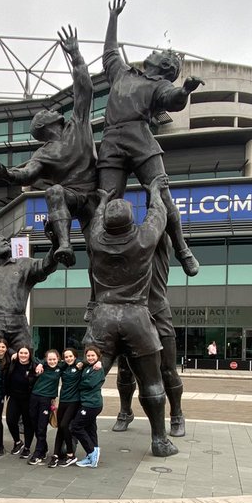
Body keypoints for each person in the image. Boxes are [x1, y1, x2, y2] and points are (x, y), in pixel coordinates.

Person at [99, 0, 204, 279]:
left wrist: (185, 91)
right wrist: (113, 17)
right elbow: (109, 52)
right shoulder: (122, 73)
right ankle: (100, 286)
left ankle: (182, 249)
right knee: (103, 203)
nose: (154, 53)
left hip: (139, 138)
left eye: (160, 54)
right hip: (111, 142)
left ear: (165, 66)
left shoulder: (160, 85)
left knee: (161, 192)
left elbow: (173, 100)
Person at [0, 25, 97, 268]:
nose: (54, 110)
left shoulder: (78, 124)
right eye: (48, 111)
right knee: (53, 191)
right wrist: (3, 172)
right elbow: (24, 174)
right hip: (74, 198)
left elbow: (84, 88)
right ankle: (65, 245)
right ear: (45, 124)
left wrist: (76, 55)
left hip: (99, 187)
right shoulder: (43, 154)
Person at [83, 187, 178, 457]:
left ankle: (72, 435)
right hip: (137, 316)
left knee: (89, 379)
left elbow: (97, 219)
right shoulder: (144, 239)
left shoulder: (96, 241)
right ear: (129, 221)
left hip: (103, 318)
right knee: (152, 381)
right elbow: (158, 215)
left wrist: (101, 199)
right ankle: (159, 441)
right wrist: (156, 191)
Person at [72, 344, 107, 468]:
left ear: (98, 357)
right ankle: (92, 456)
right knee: (90, 428)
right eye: (88, 355)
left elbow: (90, 383)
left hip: (91, 404)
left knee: (76, 426)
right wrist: (82, 363)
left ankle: (92, 452)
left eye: (93, 356)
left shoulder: (97, 368)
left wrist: (78, 384)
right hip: (88, 402)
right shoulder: (88, 366)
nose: (91, 358)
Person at [50, 347, 86, 467]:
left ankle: (71, 455)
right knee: (60, 427)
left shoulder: (79, 366)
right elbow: (51, 362)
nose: (68, 358)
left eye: (70, 356)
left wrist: (96, 363)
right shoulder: (63, 367)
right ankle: (55, 454)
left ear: (75, 357)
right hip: (63, 401)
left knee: (65, 424)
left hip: (74, 401)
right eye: (66, 357)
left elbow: (91, 360)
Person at [27, 349, 62, 467]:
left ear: (58, 359)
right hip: (34, 396)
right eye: (49, 359)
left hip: (46, 400)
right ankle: (43, 448)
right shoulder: (43, 365)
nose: (52, 361)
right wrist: (42, 363)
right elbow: (32, 356)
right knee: (34, 424)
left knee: (42, 426)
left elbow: (75, 361)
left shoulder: (60, 368)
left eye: (54, 359)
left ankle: (38, 454)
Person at [5, 346, 37, 456]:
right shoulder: (13, 363)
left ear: (30, 354)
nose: (23, 355)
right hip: (14, 397)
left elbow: (46, 362)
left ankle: (27, 447)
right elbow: (3, 348)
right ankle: (18, 442)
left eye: (25, 353)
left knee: (28, 424)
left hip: (28, 399)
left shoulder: (34, 365)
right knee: (10, 420)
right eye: (21, 353)